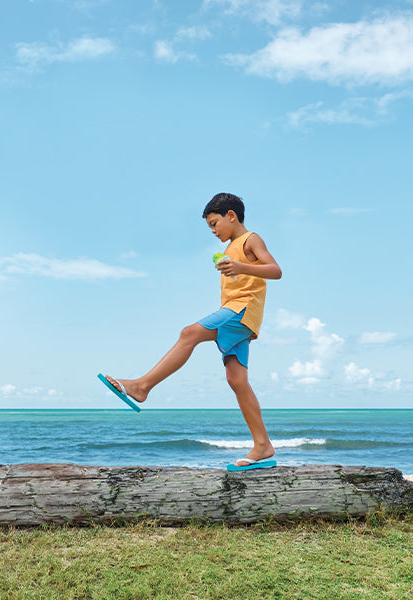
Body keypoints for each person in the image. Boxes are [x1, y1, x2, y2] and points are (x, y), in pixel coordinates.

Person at [98, 193, 282, 471]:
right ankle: (263, 445)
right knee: (237, 380)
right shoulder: (232, 246)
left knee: (189, 333)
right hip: (238, 313)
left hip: (241, 309)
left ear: (231, 215)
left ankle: (142, 386)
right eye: (209, 226)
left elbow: (276, 270)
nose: (212, 230)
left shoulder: (250, 240)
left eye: (214, 223)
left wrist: (241, 265)